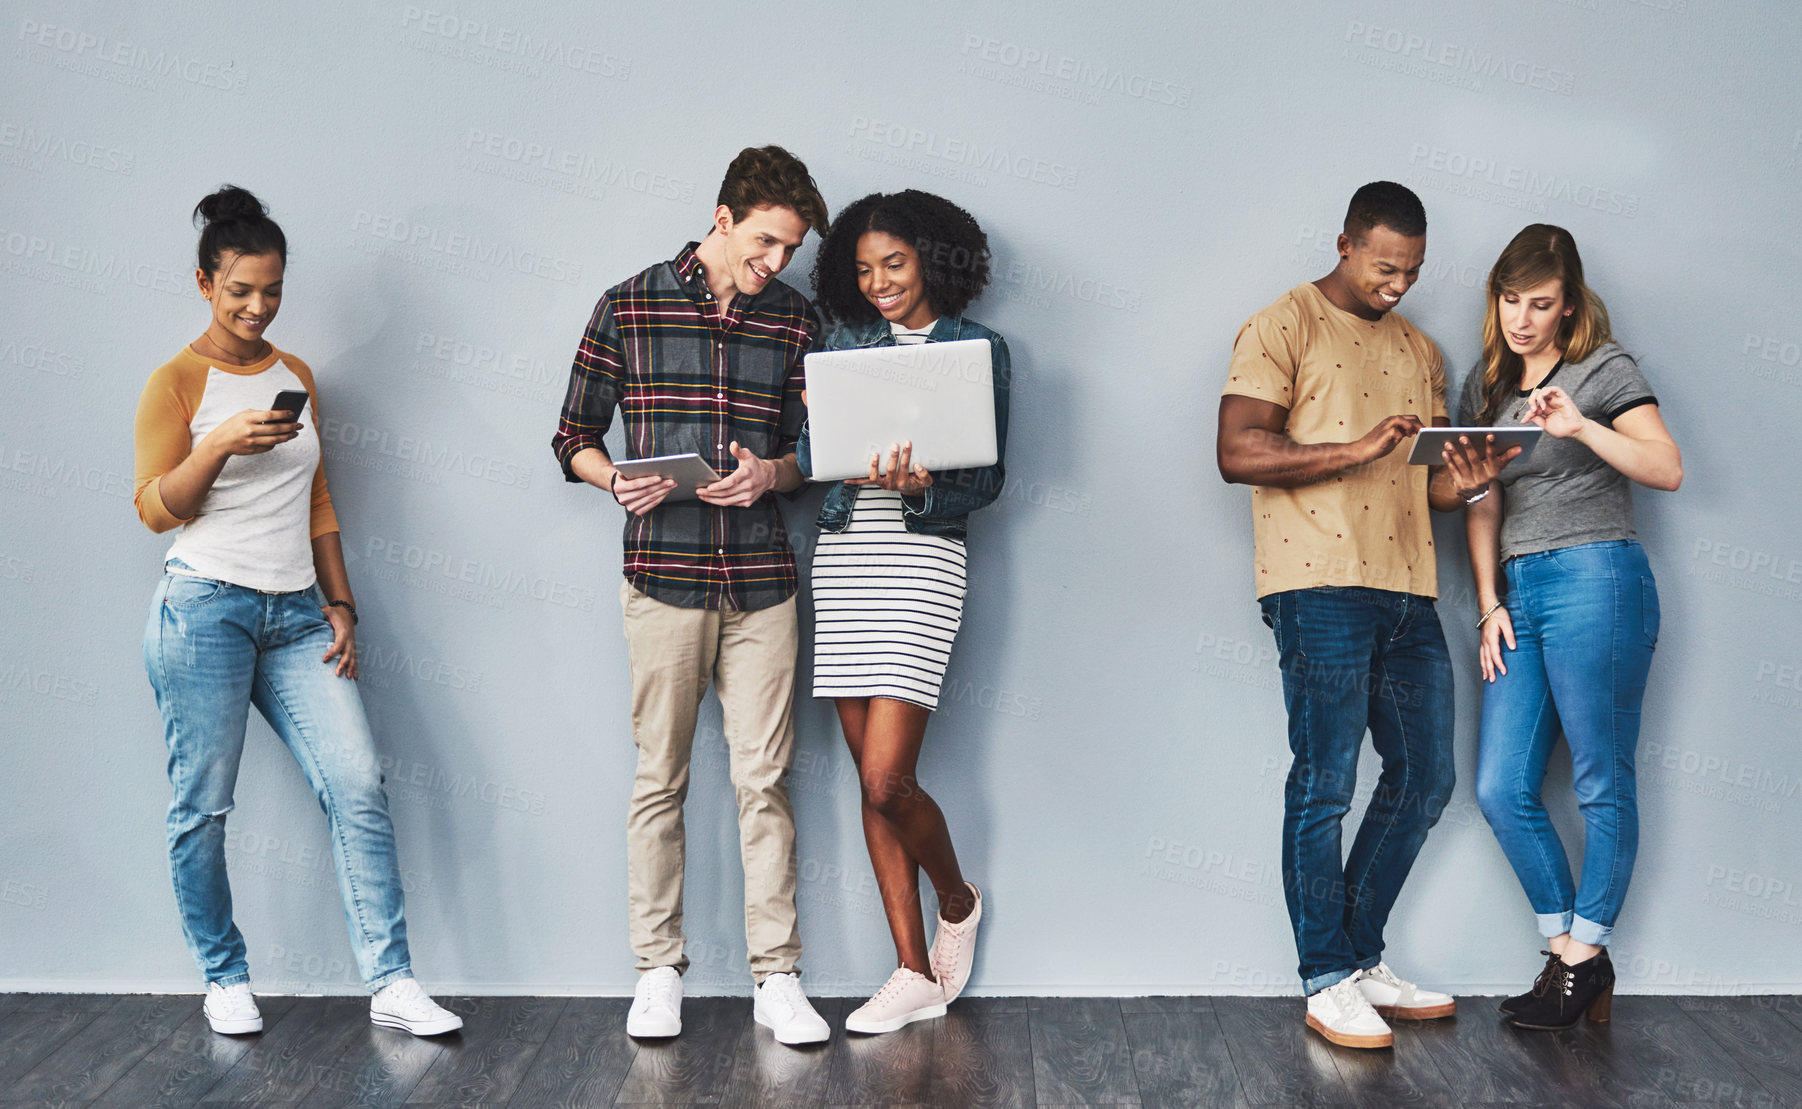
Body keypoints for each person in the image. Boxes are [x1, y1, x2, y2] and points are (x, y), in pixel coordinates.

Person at [133, 186, 462, 1038]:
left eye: (272, 289)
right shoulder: (174, 382)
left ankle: (391, 981)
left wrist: (341, 602)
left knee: (356, 781)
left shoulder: (296, 377)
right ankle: (223, 973)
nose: (257, 305)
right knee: (202, 805)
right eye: (240, 288)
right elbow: (154, 509)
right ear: (204, 282)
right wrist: (214, 447)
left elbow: (318, 500)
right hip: (202, 610)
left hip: (296, 616)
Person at [1216, 181, 1513, 1049]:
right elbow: (1237, 451)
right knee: (1324, 782)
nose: (1398, 284)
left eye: (1413, 270)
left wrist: (1477, 472)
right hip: (1316, 586)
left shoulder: (1423, 349)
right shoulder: (1283, 323)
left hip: (1408, 588)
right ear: (1344, 243)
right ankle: (1323, 976)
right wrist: (1356, 446)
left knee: (1426, 779)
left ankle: (1358, 957)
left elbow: (1437, 489)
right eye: (1386, 266)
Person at [551, 146, 832, 1046]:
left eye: (788, 249)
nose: (775, 262)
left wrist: (773, 473)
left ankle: (778, 979)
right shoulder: (628, 303)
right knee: (659, 779)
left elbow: (819, 452)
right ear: (722, 216)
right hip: (663, 578)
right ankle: (658, 971)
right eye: (764, 241)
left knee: (764, 783)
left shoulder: (796, 321)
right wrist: (613, 481)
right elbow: (572, 437)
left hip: (760, 582)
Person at [796, 190, 1008, 1034]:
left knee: (890, 777)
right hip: (847, 559)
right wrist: (823, 436)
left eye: (895, 263)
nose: (879, 282)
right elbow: (814, 462)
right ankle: (912, 971)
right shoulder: (842, 344)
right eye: (864, 268)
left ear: (932, 259)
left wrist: (926, 487)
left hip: (923, 558)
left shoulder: (977, 348)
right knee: (867, 783)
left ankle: (958, 898)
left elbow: (988, 479)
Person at [1462, 224, 1681, 1030]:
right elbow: (1482, 501)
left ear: (1569, 303)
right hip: (1519, 589)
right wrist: (1489, 601)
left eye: (1541, 303)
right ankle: (1568, 951)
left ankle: (1581, 957)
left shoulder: (1603, 368)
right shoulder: (1487, 384)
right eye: (1510, 299)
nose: (1522, 318)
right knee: (1500, 787)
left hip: (1598, 577)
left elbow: (1668, 467)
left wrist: (1581, 426)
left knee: (1599, 778)